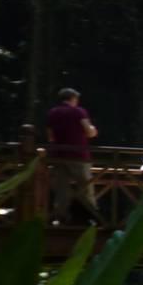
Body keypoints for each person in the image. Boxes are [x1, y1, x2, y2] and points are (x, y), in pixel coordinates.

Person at [45, 87, 99, 225]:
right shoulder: (78, 112)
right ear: (73, 99)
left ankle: (60, 218)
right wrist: (93, 130)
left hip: (58, 155)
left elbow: (50, 136)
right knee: (85, 187)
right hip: (78, 155)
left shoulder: (52, 113)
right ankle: (91, 217)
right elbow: (89, 132)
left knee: (61, 189)